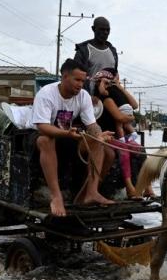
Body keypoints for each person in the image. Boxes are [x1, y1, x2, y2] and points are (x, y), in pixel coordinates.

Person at [32, 58, 114, 216]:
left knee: (100, 144)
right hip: (40, 134)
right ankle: (56, 197)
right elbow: (42, 126)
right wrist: (66, 133)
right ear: (64, 77)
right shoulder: (46, 93)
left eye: (83, 81)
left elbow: (92, 124)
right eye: (77, 80)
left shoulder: (83, 96)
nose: (80, 84)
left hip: (68, 135)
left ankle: (91, 192)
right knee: (45, 140)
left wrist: (98, 135)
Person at [95, 70, 153, 198]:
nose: (114, 82)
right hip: (108, 135)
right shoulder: (106, 98)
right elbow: (120, 117)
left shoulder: (118, 95)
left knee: (140, 150)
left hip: (121, 136)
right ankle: (129, 187)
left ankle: (147, 186)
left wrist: (120, 87)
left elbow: (135, 105)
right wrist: (131, 118)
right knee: (124, 151)